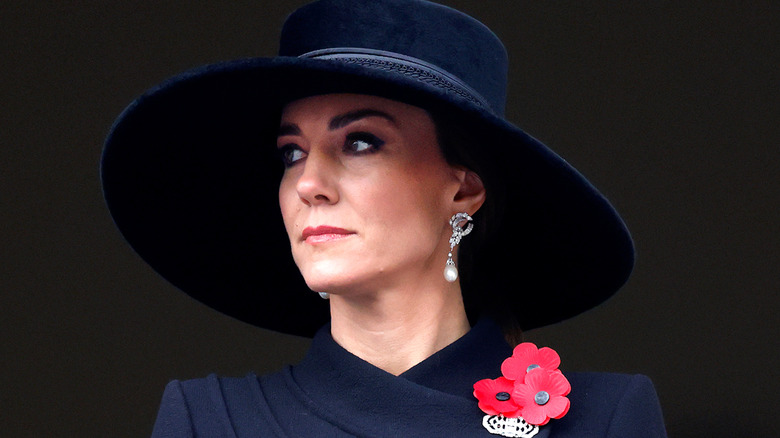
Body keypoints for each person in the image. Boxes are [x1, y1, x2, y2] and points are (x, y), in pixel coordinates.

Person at [101, 0, 667, 436]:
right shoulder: (209, 421)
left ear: (464, 190)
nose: (309, 184)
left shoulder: (604, 418)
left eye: (361, 142)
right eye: (291, 153)